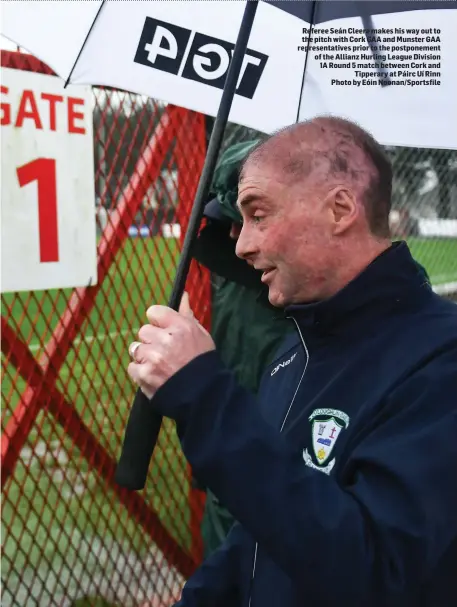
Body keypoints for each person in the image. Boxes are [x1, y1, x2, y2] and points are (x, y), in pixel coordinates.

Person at [127, 116, 457, 607]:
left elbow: (373, 569)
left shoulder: (440, 361)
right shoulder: (295, 353)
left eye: (258, 215)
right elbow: (260, 536)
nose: (242, 245)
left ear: (340, 209)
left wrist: (203, 395)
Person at [192, 139, 294, 557]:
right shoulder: (234, 271)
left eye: (256, 218)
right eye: (236, 223)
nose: (239, 242)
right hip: (230, 486)